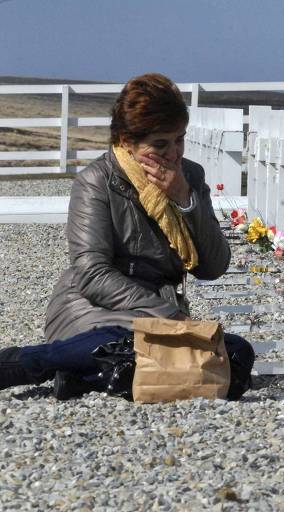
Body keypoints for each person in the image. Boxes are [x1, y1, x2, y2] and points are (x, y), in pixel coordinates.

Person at [0, 73, 254, 400]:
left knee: (237, 353)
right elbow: (92, 274)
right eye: (160, 144)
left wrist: (184, 199)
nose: (173, 154)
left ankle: (86, 377)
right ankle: (25, 362)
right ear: (127, 141)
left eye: (179, 140)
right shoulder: (97, 181)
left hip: (157, 305)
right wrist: (169, 317)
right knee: (117, 343)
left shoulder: (189, 176)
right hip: (93, 305)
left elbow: (213, 266)